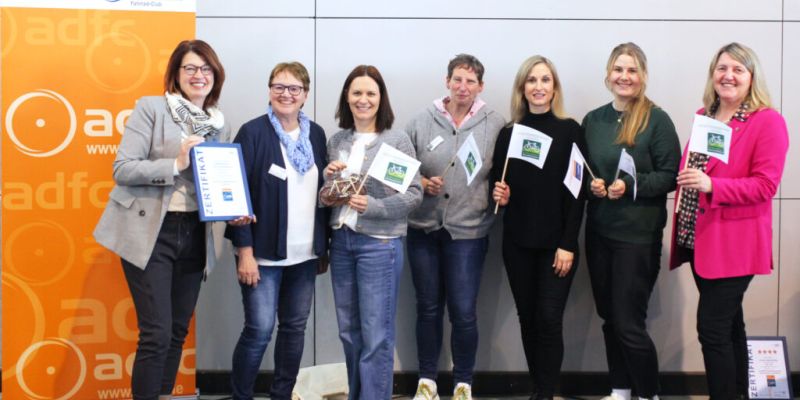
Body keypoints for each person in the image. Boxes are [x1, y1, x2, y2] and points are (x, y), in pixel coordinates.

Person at [94, 39, 236, 400]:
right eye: (190, 68)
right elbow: (123, 168)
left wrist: (234, 205)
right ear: (176, 73)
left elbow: (218, 182)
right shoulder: (152, 108)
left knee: (175, 331)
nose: (198, 75)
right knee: (156, 332)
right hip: (151, 231)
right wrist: (176, 163)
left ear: (215, 75)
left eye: (206, 68)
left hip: (195, 233)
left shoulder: (220, 123)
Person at [669, 42, 788, 400]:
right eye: (722, 68)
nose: (728, 75)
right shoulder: (705, 115)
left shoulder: (767, 121)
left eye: (738, 69)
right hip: (700, 239)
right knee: (731, 326)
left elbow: (765, 185)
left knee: (712, 330)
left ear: (752, 77)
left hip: (734, 245)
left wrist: (712, 185)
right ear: (712, 74)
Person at [582, 42, 681, 400]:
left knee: (628, 324)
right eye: (618, 69)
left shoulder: (657, 120)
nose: (624, 76)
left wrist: (631, 185)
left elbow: (670, 175)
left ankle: (648, 394)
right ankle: (620, 391)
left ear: (642, 76)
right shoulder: (593, 120)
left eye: (632, 70)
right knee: (610, 319)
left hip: (637, 238)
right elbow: (583, 172)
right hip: (599, 233)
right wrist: (592, 185)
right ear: (608, 74)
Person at [225, 62, 329, 400]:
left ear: (305, 95)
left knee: (294, 329)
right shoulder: (253, 132)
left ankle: (282, 394)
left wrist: (323, 247)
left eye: (294, 88)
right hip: (262, 256)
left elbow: (323, 193)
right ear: (269, 91)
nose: (286, 94)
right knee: (258, 330)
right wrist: (245, 252)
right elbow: (236, 196)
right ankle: (241, 396)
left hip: (305, 255)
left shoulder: (316, 135)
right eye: (279, 87)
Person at [404, 53, 504, 400]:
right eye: (457, 79)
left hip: (468, 233)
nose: (463, 86)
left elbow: (505, 174)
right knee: (428, 308)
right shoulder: (421, 121)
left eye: (470, 81)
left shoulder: (496, 124)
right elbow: (400, 171)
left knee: (463, 311)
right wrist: (421, 182)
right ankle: (427, 381)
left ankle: (463, 382)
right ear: (447, 81)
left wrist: (505, 192)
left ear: (481, 86)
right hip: (423, 229)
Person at [320, 65, 423, 400]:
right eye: (356, 93)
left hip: (379, 246)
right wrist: (328, 182)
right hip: (342, 244)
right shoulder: (337, 141)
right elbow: (327, 198)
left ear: (381, 98)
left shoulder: (396, 141)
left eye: (370, 93)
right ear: (346, 97)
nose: (363, 99)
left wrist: (374, 207)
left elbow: (414, 195)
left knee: (376, 335)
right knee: (349, 333)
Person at [491, 55, 585, 400]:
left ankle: (545, 393)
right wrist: (500, 195)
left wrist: (568, 243)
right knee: (528, 319)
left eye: (545, 80)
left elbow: (577, 193)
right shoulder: (509, 134)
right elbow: (497, 185)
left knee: (548, 319)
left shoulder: (571, 131)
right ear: (522, 88)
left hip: (556, 246)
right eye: (531, 80)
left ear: (554, 88)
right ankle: (538, 389)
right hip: (518, 243)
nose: (538, 86)